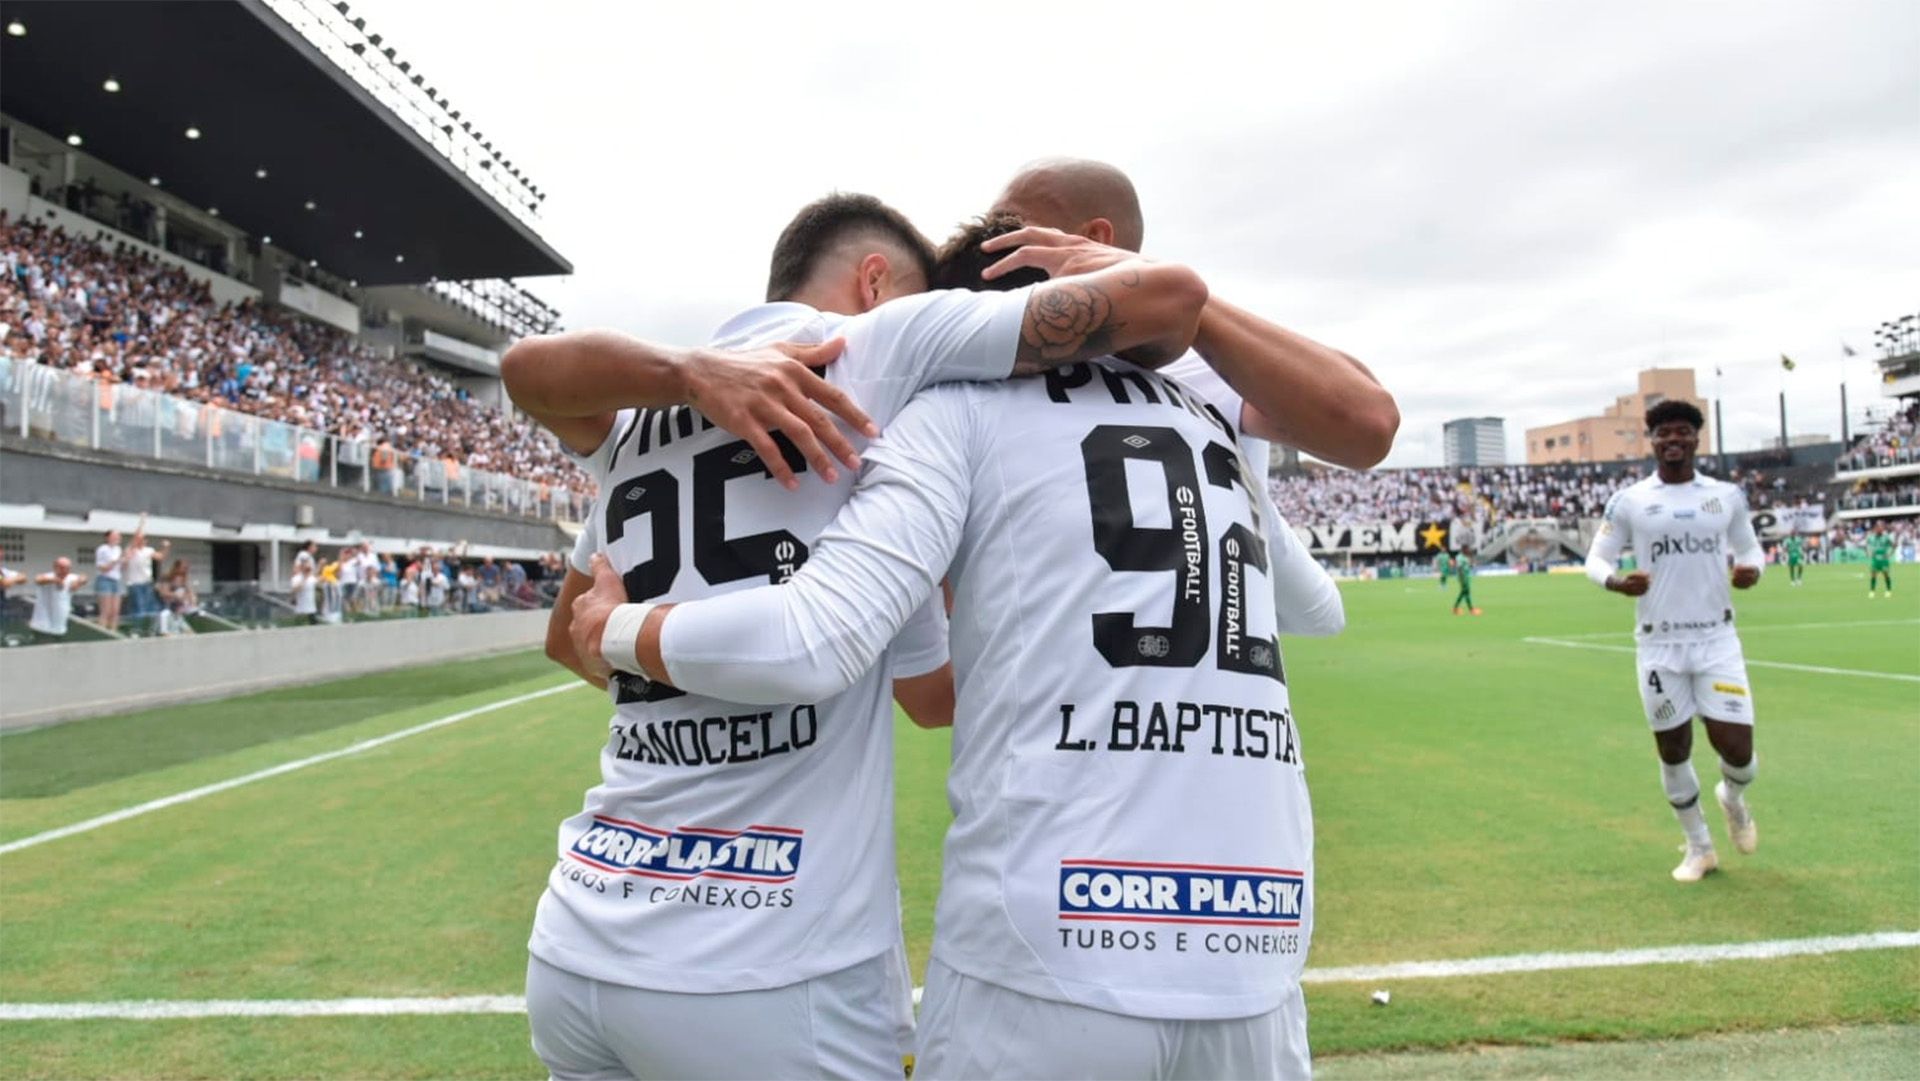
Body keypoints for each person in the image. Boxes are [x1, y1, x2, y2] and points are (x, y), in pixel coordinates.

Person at [574, 217, 1344, 1081]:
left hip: (1037, 946)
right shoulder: (1212, 424)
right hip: (1254, 947)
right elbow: (1320, 606)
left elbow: (803, 637)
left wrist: (615, 629)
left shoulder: (944, 410)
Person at [985, 157, 1398, 470]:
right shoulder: (982, 339)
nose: (989, 245)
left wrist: (1173, 299)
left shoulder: (1200, 364)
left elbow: (1367, 426)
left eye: (1010, 229)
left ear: (1094, 239)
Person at [1584, 400, 1764, 883]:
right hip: (1659, 646)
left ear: (1696, 439)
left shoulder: (1726, 497)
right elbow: (1596, 559)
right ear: (1653, 440)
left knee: (1739, 755)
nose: (1673, 440)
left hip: (1716, 640)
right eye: (1664, 433)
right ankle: (1699, 847)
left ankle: (1733, 799)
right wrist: (1616, 583)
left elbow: (1750, 549)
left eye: (1683, 431)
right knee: (1673, 749)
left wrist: (1753, 572)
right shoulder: (1630, 501)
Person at [120, 519, 169, 636]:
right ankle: (136, 630)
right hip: (135, 583)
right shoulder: (130, 550)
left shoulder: (149, 550)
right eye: (139, 539)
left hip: (147, 583)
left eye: (144, 539)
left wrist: (166, 547)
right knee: (138, 608)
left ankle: (151, 630)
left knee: (151, 608)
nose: (141, 540)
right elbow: (133, 540)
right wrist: (141, 522)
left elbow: (160, 557)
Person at [29, 557, 89, 642]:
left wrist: (78, 582)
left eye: (67, 568)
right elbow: (38, 579)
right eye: (62, 568)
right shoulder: (48, 576)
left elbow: (84, 577)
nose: (65, 571)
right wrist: (55, 580)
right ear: (55, 567)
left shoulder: (71, 578)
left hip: (59, 628)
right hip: (41, 626)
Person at [93, 528, 125, 632]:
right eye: (114, 536)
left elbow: (121, 567)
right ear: (108, 537)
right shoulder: (102, 549)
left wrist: (124, 560)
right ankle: (102, 631)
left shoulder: (118, 549)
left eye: (118, 536)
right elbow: (102, 568)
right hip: (105, 579)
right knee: (105, 610)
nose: (117, 538)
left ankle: (113, 631)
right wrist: (115, 561)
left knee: (115, 611)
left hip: (116, 579)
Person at [1867, 522, 1895, 598]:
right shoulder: (1871, 537)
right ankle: (1872, 591)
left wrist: (1889, 554)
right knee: (1873, 575)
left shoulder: (1886, 537)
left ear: (1882, 529)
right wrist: (1869, 552)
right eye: (1878, 528)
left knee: (1886, 575)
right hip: (1875, 559)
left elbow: (1893, 545)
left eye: (1881, 527)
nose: (1879, 529)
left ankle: (1888, 590)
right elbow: (1868, 545)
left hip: (1883, 559)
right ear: (1875, 529)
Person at [1451, 547, 1481, 615]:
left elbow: (1467, 566)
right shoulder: (1459, 557)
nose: (1468, 551)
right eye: (1467, 550)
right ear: (1463, 550)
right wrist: (1462, 578)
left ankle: (1455, 608)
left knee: (1464, 592)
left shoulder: (1465, 557)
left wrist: (1472, 564)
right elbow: (1459, 567)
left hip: (1466, 576)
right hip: (1463, 577)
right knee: (1465, 592)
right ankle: (1471, 609)